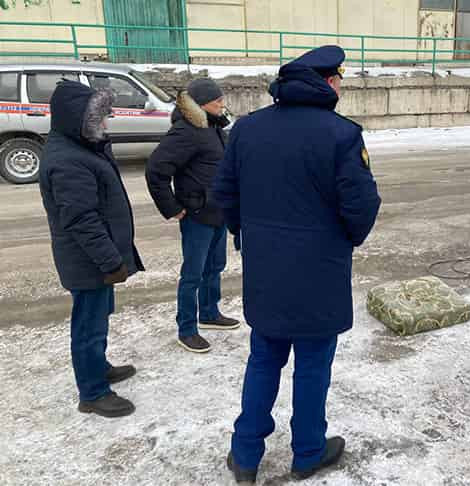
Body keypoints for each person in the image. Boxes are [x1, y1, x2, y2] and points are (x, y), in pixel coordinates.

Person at [213, 45, 381, 482]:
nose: (341, 86)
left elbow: (225, 195)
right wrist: (344, 240)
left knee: (263, 359)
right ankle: (308, 451)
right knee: (311, 366)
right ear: (328, 82)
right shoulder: (342, 135)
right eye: (340, 79)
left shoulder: (247, 129)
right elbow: (361, 206)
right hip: (319, 273)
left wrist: (250, 235)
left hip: (266, 270)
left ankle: (245, 455)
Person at [39, 80, 144, 418]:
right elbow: (81, 220)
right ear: (77, 120)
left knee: (98, 318)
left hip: (95, 259)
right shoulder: (68, 160)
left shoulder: (82, 147)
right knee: (88, 326)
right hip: (88, 261)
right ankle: (93, 392)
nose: (105, 124)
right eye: (99, 119)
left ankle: (98, 367)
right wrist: (111, 260)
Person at [146, 78, 239, 353]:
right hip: (197, 214)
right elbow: (156, 171)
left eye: (222, 99)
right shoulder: (186, 131)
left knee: (215, 266)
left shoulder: (214, 128)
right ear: (200, 105)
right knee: (193, 275)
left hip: (218, 212)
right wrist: (173, 208)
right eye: (217, 101)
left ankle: (209, 312)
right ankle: (186, 328)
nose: (223, 104)